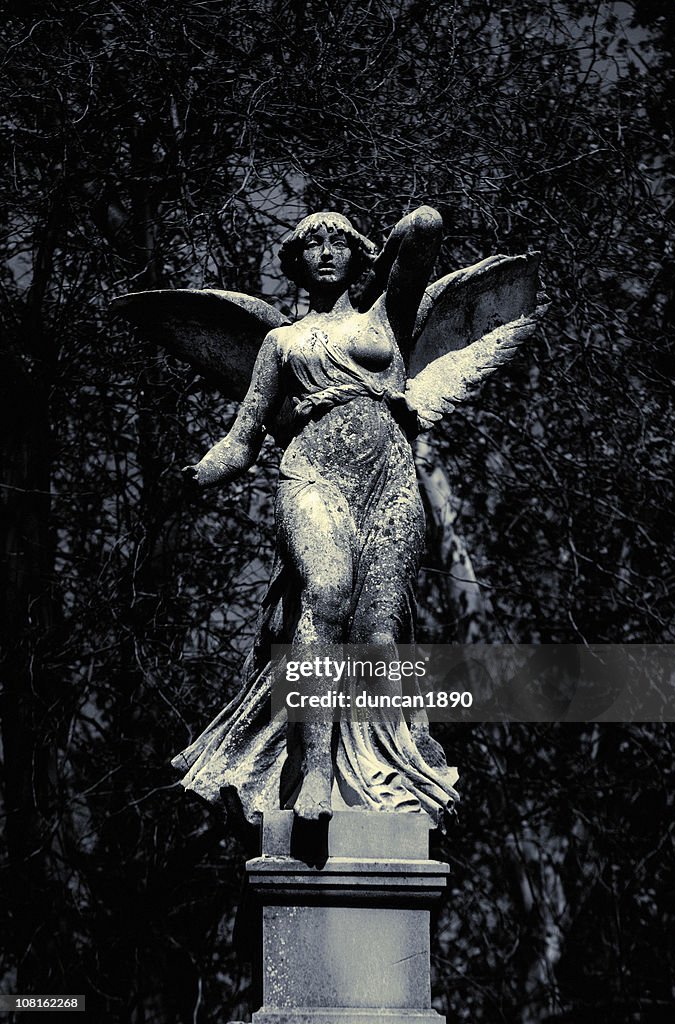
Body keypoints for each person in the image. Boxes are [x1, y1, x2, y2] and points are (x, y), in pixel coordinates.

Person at [174, 207, 459, 825]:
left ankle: (388, 770)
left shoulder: (387, 315)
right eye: (311, 245)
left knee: (379, 634)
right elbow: (243, 438)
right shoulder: (280, 342)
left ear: (357, 254)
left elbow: (428, 227)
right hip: (314, 472)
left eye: (337, 243)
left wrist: (381, 257)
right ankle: (317, 773)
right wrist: (196, 476)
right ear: (294, 263)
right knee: (324, 596)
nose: (325, 254)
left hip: (388, 479)